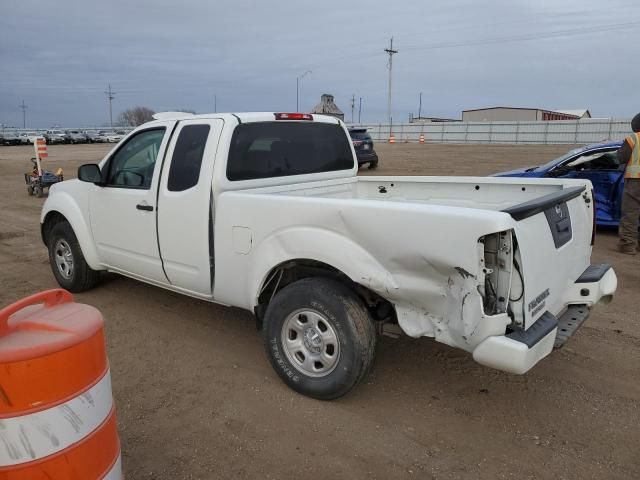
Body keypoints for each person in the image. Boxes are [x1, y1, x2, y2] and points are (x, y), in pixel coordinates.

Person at [617, 113, 640, 255]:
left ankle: (628, 246)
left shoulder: (634, 138)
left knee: (630, 213)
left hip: (635, 181)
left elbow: (620, 157)